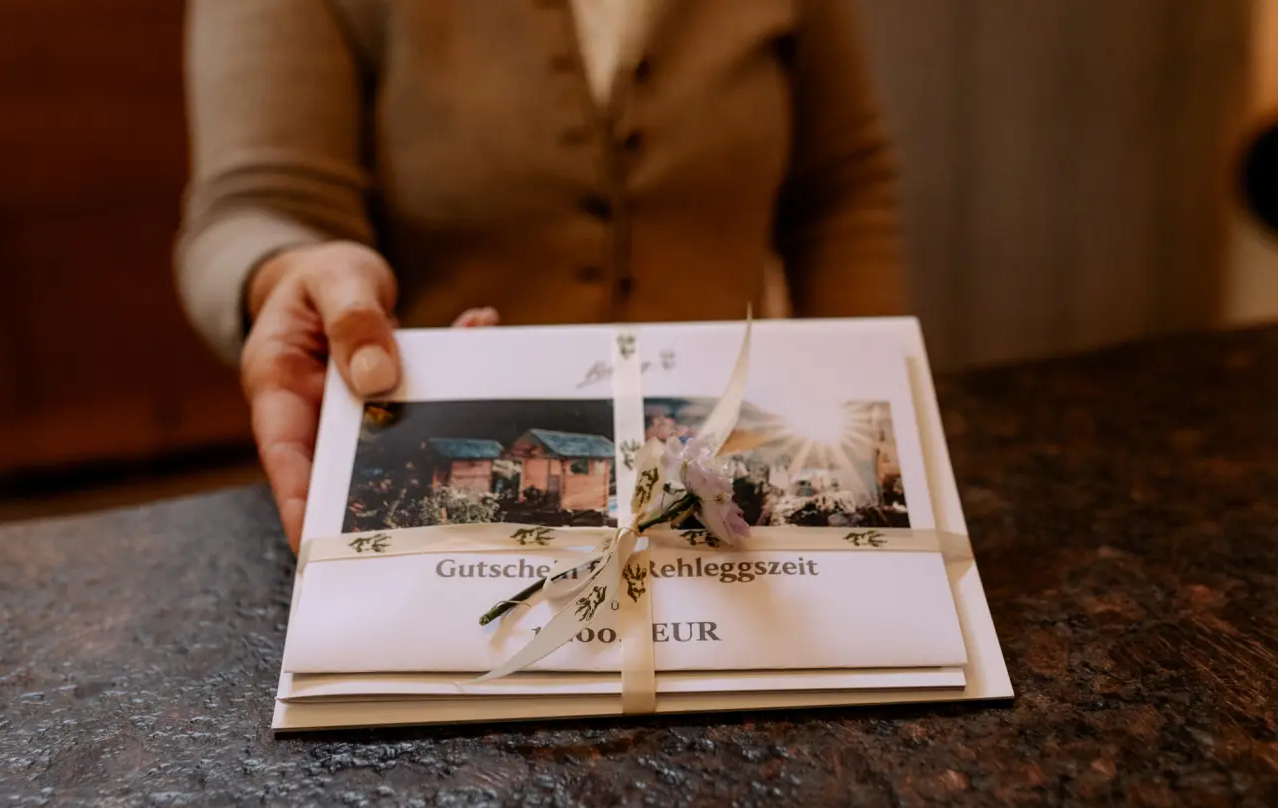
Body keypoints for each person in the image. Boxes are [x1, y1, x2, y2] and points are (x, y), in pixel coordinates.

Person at [175, 0, 910, 550]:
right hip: (446, 538)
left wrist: (879, 443)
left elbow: (838, 191)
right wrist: (291, 273)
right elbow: (257, 208)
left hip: (738, 507)